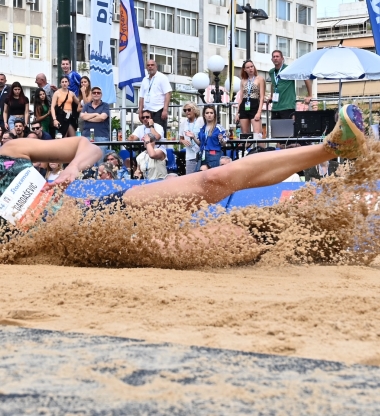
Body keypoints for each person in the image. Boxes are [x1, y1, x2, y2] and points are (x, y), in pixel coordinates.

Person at [0, 105, 366, 239]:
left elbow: (89, 147)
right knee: (235, 237)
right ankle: (320, 234)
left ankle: (332, 147)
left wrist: (71, 171)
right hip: (81, 248)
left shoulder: (10, 150)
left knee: (212, 180)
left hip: (100, 215)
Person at [269, 50, 312, 120]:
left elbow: (305, 77)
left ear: (282, 58)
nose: (275, 58)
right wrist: (271, 96)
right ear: (271, 59)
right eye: (273, 57)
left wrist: (309, 95)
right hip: (275, 108)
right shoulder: (271, 72)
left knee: (287, 130)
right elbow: (273, 84)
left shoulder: (289, 69)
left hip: (287, 107)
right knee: (276, 130)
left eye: (277, 56)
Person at [139, 60, 172, 138]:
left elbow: (168, 93)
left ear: (156, 66)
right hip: (147, 112)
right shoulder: (144, 79)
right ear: (146, 67)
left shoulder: (162, 77)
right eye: (148, 65)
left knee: (159, 133)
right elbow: (141, 97)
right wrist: (140, 111)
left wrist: (165, 110)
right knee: (147, 133)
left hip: (159, 110)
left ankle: (160, 149)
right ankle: (149, 149)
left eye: (152, 65)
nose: (150, 66)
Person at [80, 86, 110, 163]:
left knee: (100, 163)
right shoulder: (86, 105)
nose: (96, 94)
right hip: (87, 136)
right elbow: (82, 116)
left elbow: (102, 117)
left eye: (98, 92)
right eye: (94, 92)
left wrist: (88, 117)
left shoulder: (105, 105)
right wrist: (96, 114)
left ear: (101, 95)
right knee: (87, 162)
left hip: (101, 137)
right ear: (91, 94)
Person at [193, 105, 227, 171]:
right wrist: (193, 137)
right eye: (207, 113)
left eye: (211, 113)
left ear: (214, 115)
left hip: (214, 155)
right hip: (203, 155)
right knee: (199, 176)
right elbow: (201, 144)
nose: (209, 115)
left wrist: (221, 140)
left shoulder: (219, 128)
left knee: (212, 176)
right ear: (204, 115)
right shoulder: (202, 129)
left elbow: (224, 143)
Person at [236, 60, 265, 135]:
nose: (250, 69)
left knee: (257, 134)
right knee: (245, 134)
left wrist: (259, 112)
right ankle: (247, 147)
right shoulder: (243, 81)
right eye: (248, 67)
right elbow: (241, 98)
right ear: (244, 69)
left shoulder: (260, 79)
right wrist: (237, 113)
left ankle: (260, 147)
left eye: (252, 66)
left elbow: (262, 97)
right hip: (244, 106)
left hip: (254, 104)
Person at [179, 102, 203, 175]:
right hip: (190, 154)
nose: (187, 112)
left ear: (194, 110)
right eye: (185, 110)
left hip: (201, 153)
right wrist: (183, 141)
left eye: (189, 110)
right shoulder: (183, 123)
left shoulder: (201, 120)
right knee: (190, 178)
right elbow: (180, 138)